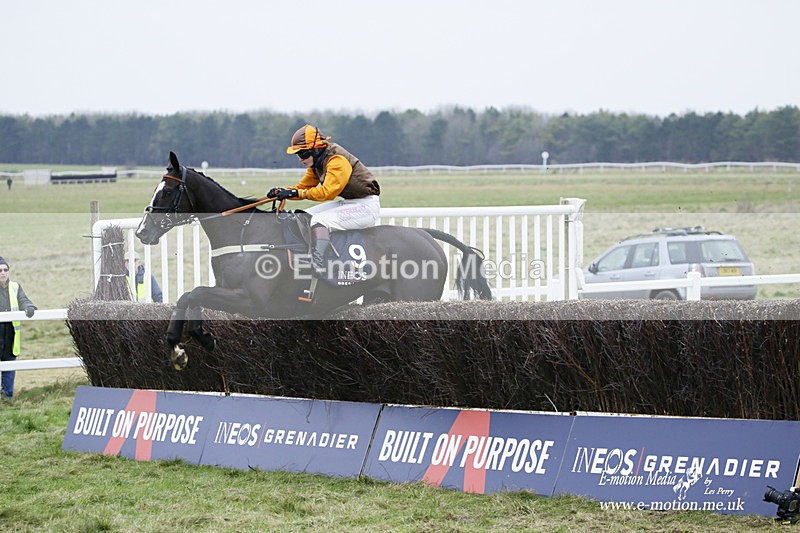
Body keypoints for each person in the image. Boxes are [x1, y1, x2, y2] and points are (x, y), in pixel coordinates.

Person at [267, 124, 381, 277]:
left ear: (316, 149)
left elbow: (327, 193)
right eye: (298, 155)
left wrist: (296, 192)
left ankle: (319, 264)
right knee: (304, 216)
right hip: (350, 202)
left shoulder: (337, 161)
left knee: (319, 221)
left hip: (366, 206)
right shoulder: (318, 162)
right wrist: (283, 192)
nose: (301, 159)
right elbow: (302, 187)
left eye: (303, 153)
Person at [0, 256, 36, 399]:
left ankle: (7, 400)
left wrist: (29, 307)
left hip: (10, 338)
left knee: (9, 372)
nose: (3, 273)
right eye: (0, 270)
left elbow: (24, 300)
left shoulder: (15, 287)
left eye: (5, 270)